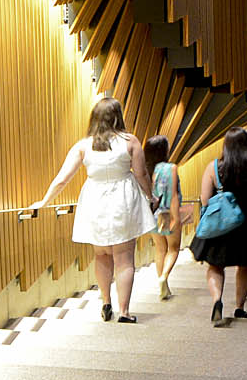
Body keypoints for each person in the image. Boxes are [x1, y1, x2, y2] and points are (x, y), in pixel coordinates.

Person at [29, 96, 155, 323]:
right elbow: (141, 174)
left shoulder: (83, 146)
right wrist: (150, 195)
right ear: (118, 116)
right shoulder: (130, 141)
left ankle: (106, 303)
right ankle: (124, 312)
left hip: (94, 201)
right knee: (124, 258)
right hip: (123, 200)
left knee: (102, 255)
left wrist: (44, 201)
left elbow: (62, 179)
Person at [195, 127, 247, 327]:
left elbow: (204, 199)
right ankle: (239, 307)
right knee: (245, 265)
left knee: (215, 266)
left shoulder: (213, 167)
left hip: (221, 220)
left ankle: (217, 300)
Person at [144, 134, 183, 301]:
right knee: (173, 249)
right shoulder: (170, 168)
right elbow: (172, 195)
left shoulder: (146, 170)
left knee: (160, 249)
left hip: (152, 214)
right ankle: (164, 278)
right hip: (167, 213)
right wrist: (176, 218)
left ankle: (163, 288)